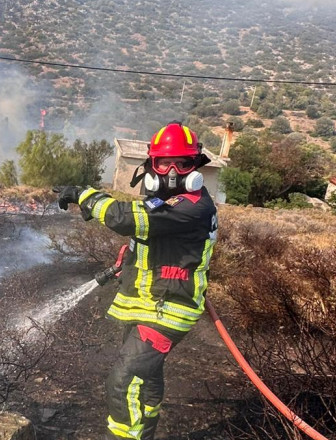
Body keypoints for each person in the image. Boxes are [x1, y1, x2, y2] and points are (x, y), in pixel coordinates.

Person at [57, 121, 218, 440]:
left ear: (196, 166)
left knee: (123, 380)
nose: (172, 172)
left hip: (168, 309)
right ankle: (146, 432)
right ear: (152, 165)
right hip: (148, 303)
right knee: (146, 378)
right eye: (164, 163)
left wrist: (85, 196)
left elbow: (125, 219)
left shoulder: (194, 206)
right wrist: (129, 260)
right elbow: (147, 235)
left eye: (182, 164)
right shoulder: (164, 202)